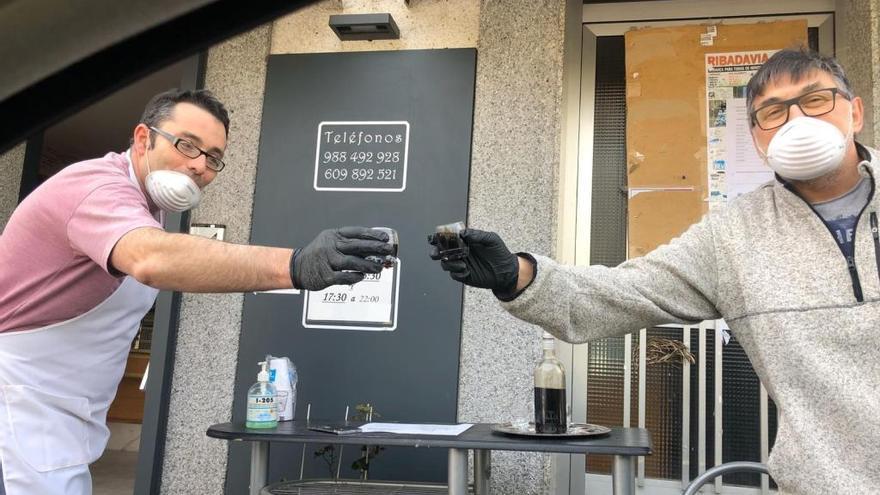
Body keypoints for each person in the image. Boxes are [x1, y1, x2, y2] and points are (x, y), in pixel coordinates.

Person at [431, 48, 879, 494]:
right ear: (757, 137)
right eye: (773, 112)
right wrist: (518, 275)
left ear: (855, 112)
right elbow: (630, 289)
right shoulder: (736, 234)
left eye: (816, 100)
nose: (797, 121)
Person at [0, 89, 393, 495]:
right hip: (18, 408)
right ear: (142, 139)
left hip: (61, 418)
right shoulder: (95, 186)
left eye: (212, 157)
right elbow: (153, 259)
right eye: (186, 144)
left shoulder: (150, 210)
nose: (198, 165)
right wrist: (295, 266)